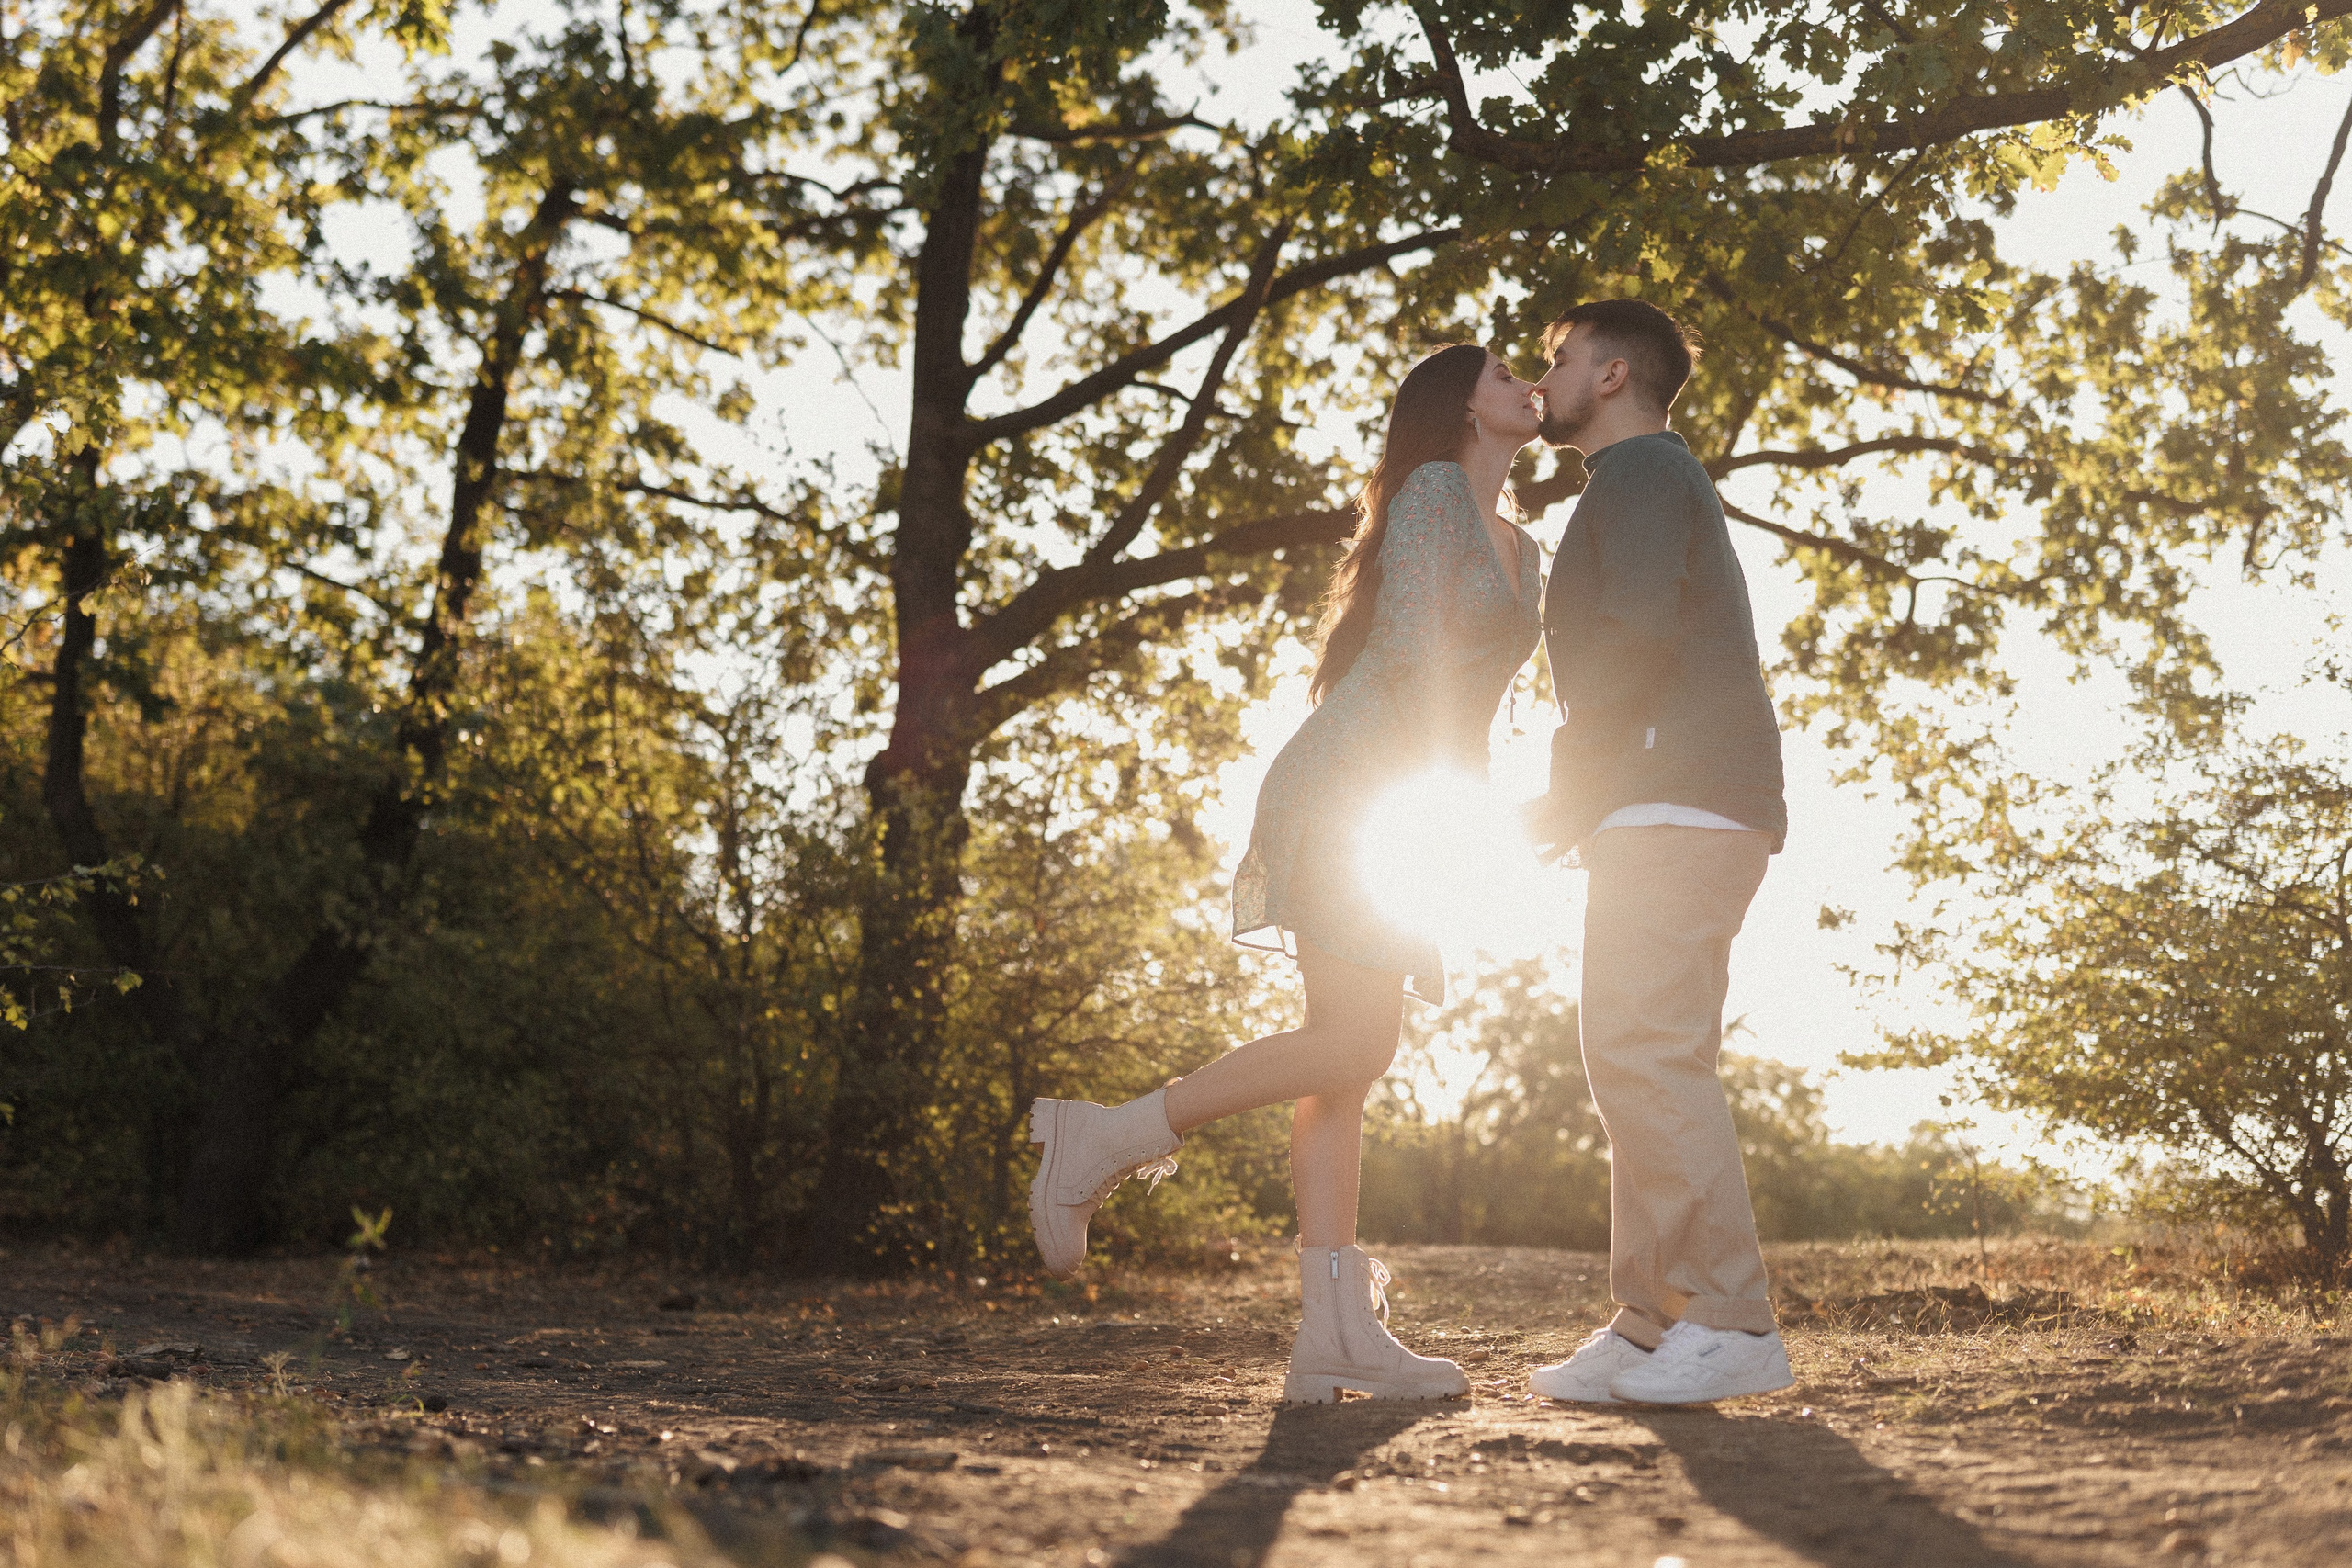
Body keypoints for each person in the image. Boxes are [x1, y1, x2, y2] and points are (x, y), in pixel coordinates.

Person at [1025, 343, 1544, 1403]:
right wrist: (1451, 798)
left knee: (1343, 1067)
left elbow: (1482, 691)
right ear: (1457, 409)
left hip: (1407, 798)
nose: (1524, 385)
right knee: (1356, 1040)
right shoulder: (1436, 490)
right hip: (1353, 781)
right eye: (1500, 373)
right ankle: (1104, 1135)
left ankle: (1331, 1336)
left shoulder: (1525, 548)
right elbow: (1405, 651)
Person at [1520, 299, 1795, 1405]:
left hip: (1677, 799)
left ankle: (1730, 1319)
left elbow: (1631, 636)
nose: (1544, 381)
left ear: (1614, 372)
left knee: (1646, 1053)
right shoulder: (1640, 481)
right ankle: (1650, 1322)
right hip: (1665, 802)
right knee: (1629, 1055)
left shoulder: (1637, 476)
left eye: (1559, 361)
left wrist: (1568, 785)